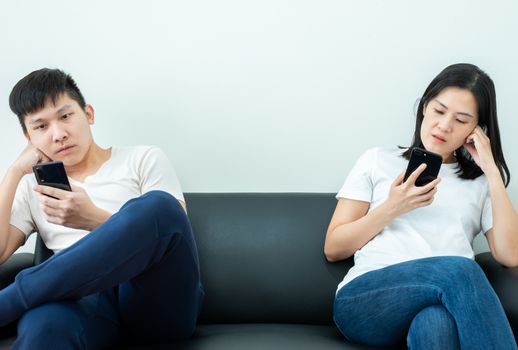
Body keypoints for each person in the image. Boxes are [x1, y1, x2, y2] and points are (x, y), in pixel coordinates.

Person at [0, 68, 204, 349]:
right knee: (44, 325)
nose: (58, 134)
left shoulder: (143, 159)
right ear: (28, 138)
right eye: (41, 127)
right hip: (81, 302)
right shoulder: (31, 187)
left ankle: (8, 303)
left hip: (152, 299)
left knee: (161, 207)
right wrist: (12, 173)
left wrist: (92, 219)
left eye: (65, 116)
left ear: (89, 114)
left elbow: (171, 232)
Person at [325, 63, 518, 349]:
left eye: (461, 120)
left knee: (435, 323)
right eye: (440, 111)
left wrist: (490, 168)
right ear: (425, 107)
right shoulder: (377, 160)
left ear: (476, 131)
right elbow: (333, 247)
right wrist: (392, 207)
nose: (444, 125)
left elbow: (510, 255)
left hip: (439, 301)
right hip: (366, 301)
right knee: (460, 270)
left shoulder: (482, 183)